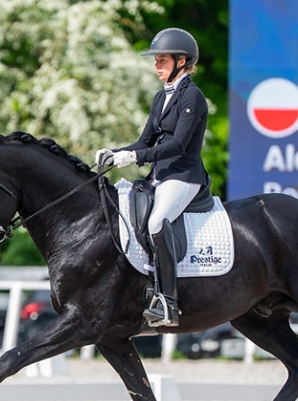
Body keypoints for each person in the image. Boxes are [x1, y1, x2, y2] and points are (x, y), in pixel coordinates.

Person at [95, 27, 211, 328]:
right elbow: (144, 142)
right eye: (156, 60)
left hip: (183, 176)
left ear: (182, 61)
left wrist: (134, 158)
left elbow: (178, 145)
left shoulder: (193, 97)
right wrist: (115, 152)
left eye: (162, 60)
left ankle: (168, 303)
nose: (156, 66)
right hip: (160, 175)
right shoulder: (161, 98)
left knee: (157, 222)